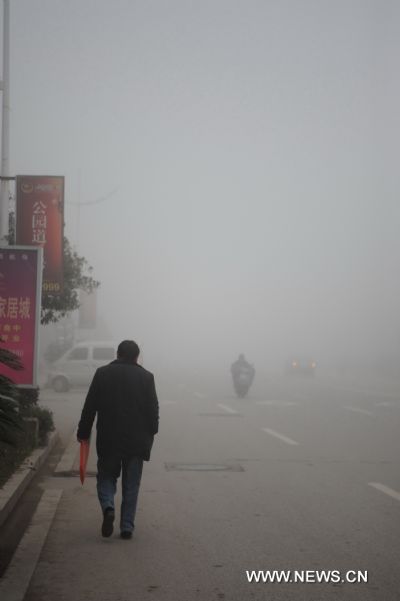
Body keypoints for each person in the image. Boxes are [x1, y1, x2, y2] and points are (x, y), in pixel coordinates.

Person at [77, 339, 159, 540]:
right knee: (131, 484)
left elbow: (90, 406)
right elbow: (152, 410)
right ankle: (127, 527)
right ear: (136, 356)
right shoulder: (147, 377)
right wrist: (151, 432)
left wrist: (83, 432)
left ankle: (108, 507)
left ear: (117, 354)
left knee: (106, 477)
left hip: (109, 439)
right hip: (136, 441)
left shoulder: (102, 374)